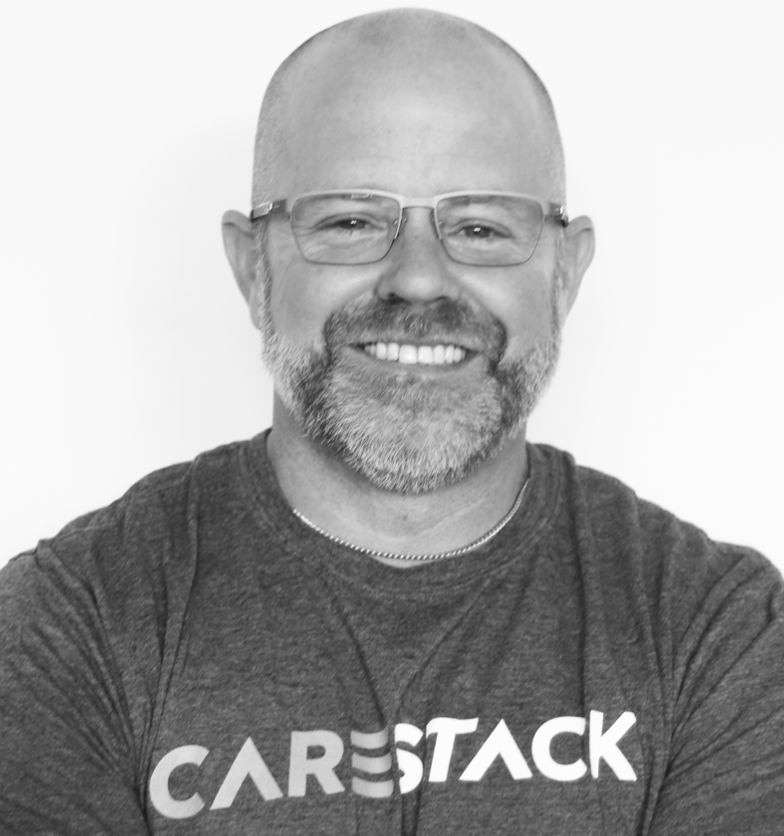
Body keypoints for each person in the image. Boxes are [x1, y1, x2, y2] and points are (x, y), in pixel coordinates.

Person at [1, 8, 783, 835]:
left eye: (480, 228)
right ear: (252, 266)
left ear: (565, 275)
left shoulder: (718, 633)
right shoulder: (70, 625)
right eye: (351, 222)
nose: (418, 279)